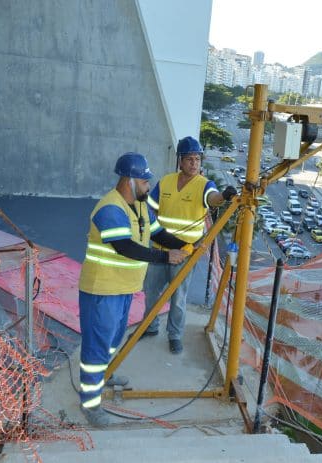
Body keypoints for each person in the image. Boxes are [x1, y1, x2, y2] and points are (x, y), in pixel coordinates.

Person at [77, 152, 189, 427]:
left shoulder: (139, 206)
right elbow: (125, 247)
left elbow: (157, 233)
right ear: (129, 181)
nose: (148, 186)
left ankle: (105, 373)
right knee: (97, 345)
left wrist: (184, 246)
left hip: (123, 289)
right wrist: (166, 257)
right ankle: (90, 404)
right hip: (101, 291)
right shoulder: (110, 209)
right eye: (144, 181)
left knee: (114, 339)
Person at [142, 136, 237, 354]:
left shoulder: (204, 185)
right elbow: (151, 209)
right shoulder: (165, 182)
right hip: (159, 249)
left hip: (185, 253)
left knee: (178, 298)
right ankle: (150, 327)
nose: (195, 163)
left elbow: (212, 198)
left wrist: (224, 196)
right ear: (180, 161)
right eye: (190, 159)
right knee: (151, 292)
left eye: (197, 159)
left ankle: (174, 336)